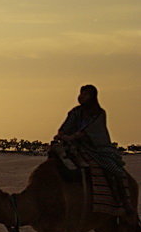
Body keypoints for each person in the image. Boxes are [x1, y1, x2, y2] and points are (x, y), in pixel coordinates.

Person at [55, 84, 133, 215]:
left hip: (96, 149)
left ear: (92, 97)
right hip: (73, 146)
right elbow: (64, 129)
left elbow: (92, 131)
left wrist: (75, 136)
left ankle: (124, 202)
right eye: (81, 94)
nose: (81, 97)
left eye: (85, 95)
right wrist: (64, 136)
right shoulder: (75, 112)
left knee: (115, 171)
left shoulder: (98, 114)